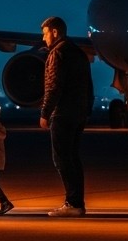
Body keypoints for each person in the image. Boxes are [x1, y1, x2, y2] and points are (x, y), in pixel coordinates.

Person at [39, 15, 93, 217]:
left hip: (63, 113)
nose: (43, 39)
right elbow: (89, 84)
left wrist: (45, 113)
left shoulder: (58, 54)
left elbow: (54, 86)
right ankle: (77, 202)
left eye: (45, 34)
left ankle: (72, 203)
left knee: (61, 158)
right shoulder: (78, 52)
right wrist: (87, 109)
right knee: (73, 158)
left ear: (54, 32)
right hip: (79, 112)